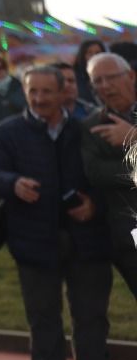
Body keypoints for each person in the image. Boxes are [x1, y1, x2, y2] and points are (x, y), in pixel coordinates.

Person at [0, 65, 121, 360]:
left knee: (91, 316)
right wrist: (12, 183)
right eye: (33, 92)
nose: (40, 98)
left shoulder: (87, 130)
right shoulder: (6, 133)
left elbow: (113, 177)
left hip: (88, 241)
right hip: (33, 240)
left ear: (64, 93)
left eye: (47, 91)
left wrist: (93, 204)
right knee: (43, 316)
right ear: (25, 93)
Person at [79, 51, 137, 300]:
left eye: (111, 78)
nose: (105, 86)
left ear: (131, 76)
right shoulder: (93, 126)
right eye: (97, 81)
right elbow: (98, 173)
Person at [72, 39, 106, 107]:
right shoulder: (74, 77)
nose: (94, 56)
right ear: (82, 55)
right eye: (89, 53)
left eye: (98, 53)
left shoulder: (109, 76)